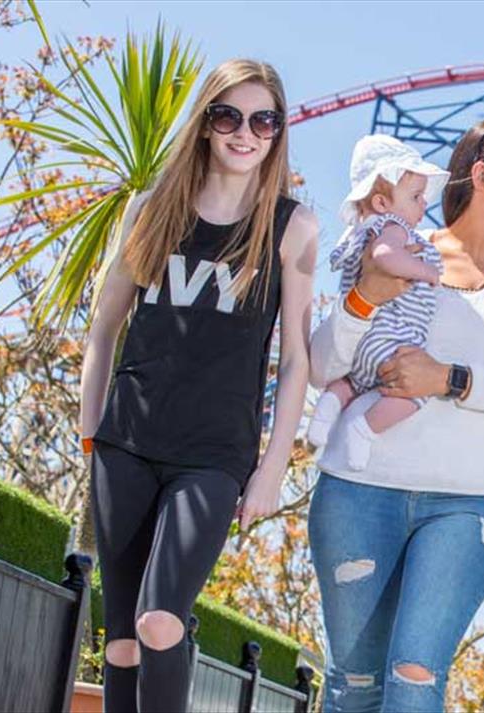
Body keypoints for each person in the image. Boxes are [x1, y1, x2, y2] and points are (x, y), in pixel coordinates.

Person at [307, 115, 484, 713]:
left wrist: (448, 379)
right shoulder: (398, 248)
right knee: (352, 681)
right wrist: (365, 298)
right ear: (482, 174)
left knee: (415, 677)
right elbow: (324, 362)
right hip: (359, 492)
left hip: (470, 505)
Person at [80, 59, 318, 712]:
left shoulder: (292, 227)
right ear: (207, 124)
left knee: (162, 619)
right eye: (229, 116)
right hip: (126, 441)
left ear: (277, 131)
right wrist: (90, 430)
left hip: (214, 455)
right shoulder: (151, 209)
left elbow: (296, 360)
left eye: (263, 120)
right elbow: (104, 328)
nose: (246, 133)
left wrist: (271, 470)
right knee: (123, 640)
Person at [305, 134, 449, 471]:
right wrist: (425, 271)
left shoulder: (359, 232)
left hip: (361, 340)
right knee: (417, 393)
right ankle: (365, 428)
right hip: (389, 337)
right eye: (415, 197)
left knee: (353, 382)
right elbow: (386, 257)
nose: (424, 205)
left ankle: (328, 408)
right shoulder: (393, 227)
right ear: (383, 203)